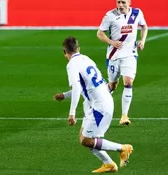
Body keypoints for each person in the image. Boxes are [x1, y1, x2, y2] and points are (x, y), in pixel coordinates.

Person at [54, 36, 133, 173]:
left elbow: (78, 88)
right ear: (78, 49)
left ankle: (123, 148)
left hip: (100, 106)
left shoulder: (72, 64)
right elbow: (88, 85)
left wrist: (72, 112)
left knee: (86, 140)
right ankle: (109, 164)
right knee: (84, 135)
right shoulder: (86, 59)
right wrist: (65, 95)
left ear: (64, 52)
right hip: (99, 102)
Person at [97, 0, 148, 125]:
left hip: (130, 55)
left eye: (123, 2)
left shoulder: (137, 13)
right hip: (114, 55)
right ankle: (100, 108)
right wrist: (112, 42)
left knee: (128, 82)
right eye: (118, 2)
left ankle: (124, 116)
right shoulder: (110, 15)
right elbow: (100, 33)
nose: (120, 5)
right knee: (112, 85)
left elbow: (144, 26)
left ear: (129, 2)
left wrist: (142, 40)